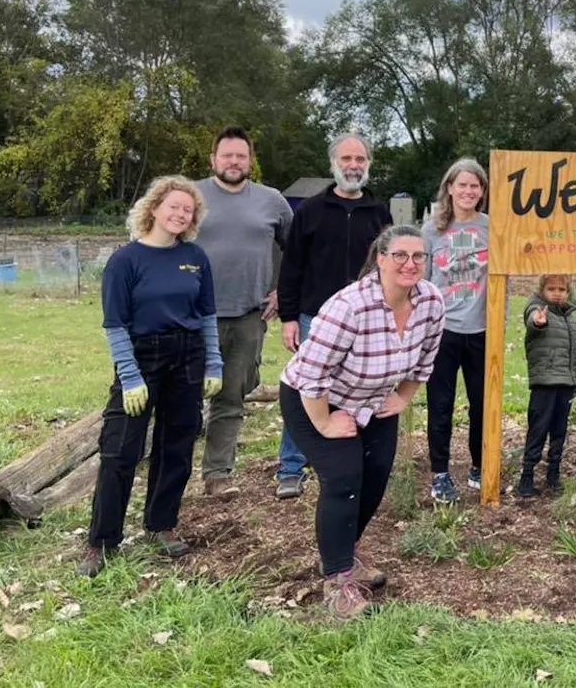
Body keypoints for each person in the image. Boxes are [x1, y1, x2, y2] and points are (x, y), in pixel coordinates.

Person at [279, 225, 445, 619]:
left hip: (372, 402)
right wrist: (324, 424)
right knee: (343, 478)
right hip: (315, 399)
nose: (410, 264)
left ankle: (344, 554)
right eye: (400, 255)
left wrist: (402, 397)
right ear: (381, 259)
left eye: (418, 256)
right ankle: (337, 582)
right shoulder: (350, 305)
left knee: (373, 478)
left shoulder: (431, 302)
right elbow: (313, 373)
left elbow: (425, 360)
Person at [78, 176, 223, 577]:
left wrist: (213, 363)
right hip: (142, 357)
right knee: (120, 450)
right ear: (154, 208)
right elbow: (114, 324)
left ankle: (161, 524)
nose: (180, 214)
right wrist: (129, 376)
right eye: (173, 206)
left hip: (187, 356)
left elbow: (207, 315)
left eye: (188, 210)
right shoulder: (125, 260)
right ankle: (102, 542)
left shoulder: (196, 257)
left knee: (176, 446)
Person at [275, 133, 393, 499]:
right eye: (346, 159)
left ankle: (346, 457)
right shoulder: (310, 211)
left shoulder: (379, 214)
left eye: (360, 159)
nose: (353, 166)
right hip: (316, 319)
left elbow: (389, 270)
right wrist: (289, 317)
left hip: (367, 321)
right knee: (306, 389)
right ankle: (291, 466)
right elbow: (291, 267)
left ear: (368, 165)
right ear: (333, 164)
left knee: (358, 390)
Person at [192, 127, 294, 498]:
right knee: (185, 396)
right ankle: (167, 470)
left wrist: (282, 290)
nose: (233, 162)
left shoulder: (272, 201)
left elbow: (294, 250)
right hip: (193, 316)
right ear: (213, 160)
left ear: (250, 161)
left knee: (232, 395)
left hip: (249, 315)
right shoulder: (191, 196)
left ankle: (217, 475)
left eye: (241, 156)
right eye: (226, 155)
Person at [422, 157, 491, 503]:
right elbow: (419, 283)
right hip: (442, 331)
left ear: (482, 192)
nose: (468, 191)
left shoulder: (492, 228)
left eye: (474, 186)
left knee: (483, 404)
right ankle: (440, 474)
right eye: (461, 184)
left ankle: (481, 465)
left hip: (482, 331)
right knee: (440, 404)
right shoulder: (432, 230)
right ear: (449, 188)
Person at [518, 274, 576, 498]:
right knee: (538, 429)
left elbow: (575, 351)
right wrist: (537, 321)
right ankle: (527, 474)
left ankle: (553, 473)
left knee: (559, 430)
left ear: (568, 291)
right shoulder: (537, 308)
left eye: (562, 289)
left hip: (565, 382)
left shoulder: (569, 316)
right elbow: (533, 320)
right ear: (542, 290)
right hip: (545, 383)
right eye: (551, 288)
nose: (557, 293)